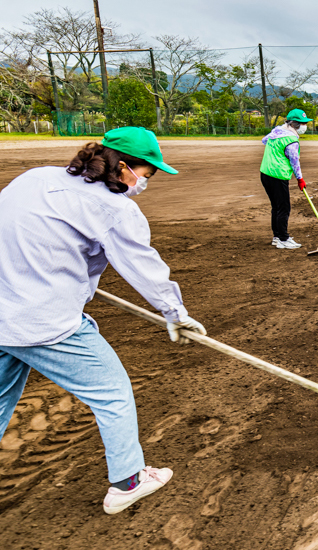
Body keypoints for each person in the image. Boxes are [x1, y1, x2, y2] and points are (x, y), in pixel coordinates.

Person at [0, 127, 207, 514]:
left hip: (3, 308)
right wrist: (176, 314)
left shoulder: (36, 177)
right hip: (42, 319)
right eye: (146, 175)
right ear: (124, 166)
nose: (145, 183)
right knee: (111, 392)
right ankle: (128, 482)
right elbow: (142, 267)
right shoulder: (115, 209)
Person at [261, 108, 313, 249]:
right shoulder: (291, 140)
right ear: (295, 124)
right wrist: (300, 179)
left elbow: (264, 140)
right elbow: (294, 162)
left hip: (265, 173)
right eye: (302, 123)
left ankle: (277, 236)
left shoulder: (276, 132)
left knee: (276, 207)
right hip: (278, 176)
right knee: (284, 207)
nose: (304, 126)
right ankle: (283, 239)